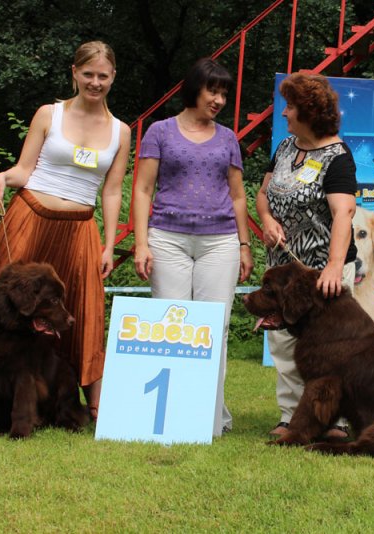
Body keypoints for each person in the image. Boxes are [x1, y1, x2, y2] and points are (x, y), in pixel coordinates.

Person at [0, 41, 132, 421]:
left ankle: (95, 404)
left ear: (113, 77)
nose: (95, 82)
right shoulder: (48, 114)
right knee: (5, 307)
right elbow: (24, 170)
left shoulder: (121, 131)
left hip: (80, 229)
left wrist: (109, 244)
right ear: (74, 73)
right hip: (30, 219)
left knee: (84, 310)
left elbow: (112, 191)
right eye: (88, 74)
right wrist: (2, 177)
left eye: (103, 76)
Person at [132, 58, 253, 437]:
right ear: (194, 89)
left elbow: (238, 196)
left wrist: (245, 245)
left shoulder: (228, 138)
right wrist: (140, 243)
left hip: (220, 243)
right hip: (167, 240)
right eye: (212, 91)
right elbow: (142, 190)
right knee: (173, 327)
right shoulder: (159, 131)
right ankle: (171, 415)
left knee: (214, 329)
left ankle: (210, 418)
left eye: (223, 94)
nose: (219, 100)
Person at [256, 73, 357, 439]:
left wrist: (333, 267)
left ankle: (337, 421)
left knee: (331, 346)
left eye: (291, 107)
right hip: (283, 269)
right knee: (283, 342)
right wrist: (267, 220)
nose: (284, 113)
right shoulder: (285, 147)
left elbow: (344, 213)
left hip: (322, 270)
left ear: (309, 112)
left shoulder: (338, 157)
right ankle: (290, 416)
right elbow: (263, 194)